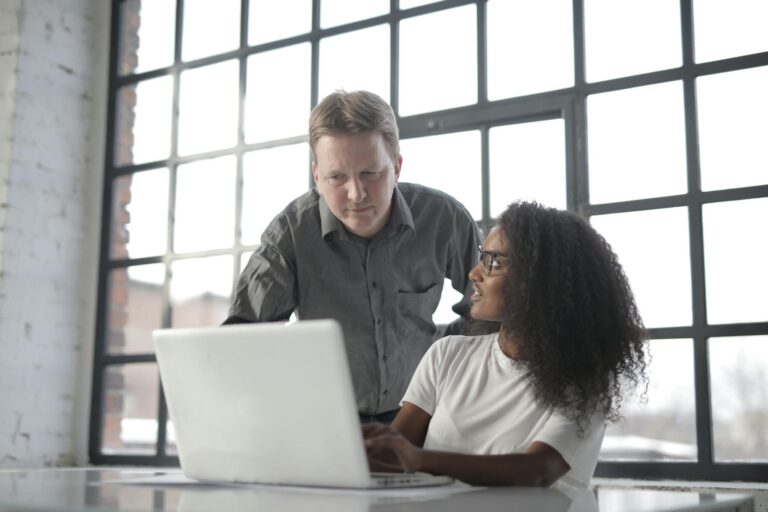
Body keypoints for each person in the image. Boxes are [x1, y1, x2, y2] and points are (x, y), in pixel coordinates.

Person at [225, 90, 482, 424]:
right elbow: (242, 340)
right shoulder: (289, 233)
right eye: (337, 177)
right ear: (317, 176)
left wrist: (447, 353)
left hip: (425, 417)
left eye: (370, 174)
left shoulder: (444, 218)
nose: (356, 194)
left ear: (397, 167)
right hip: (325, 423)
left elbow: (495, 305)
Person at [363, 201, 648, 488]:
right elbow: (393, 454)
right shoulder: (446, 355)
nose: (474, 274)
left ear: (539, 280)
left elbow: (538, 469)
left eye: (493, 261)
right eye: (481, 257)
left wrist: (419, 460)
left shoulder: (585, 381)